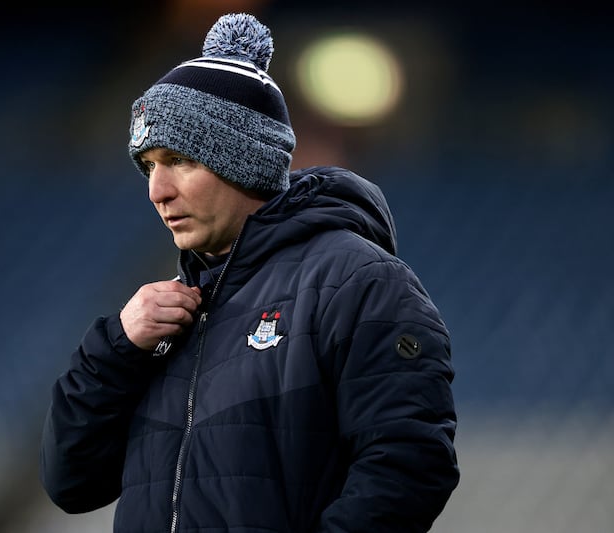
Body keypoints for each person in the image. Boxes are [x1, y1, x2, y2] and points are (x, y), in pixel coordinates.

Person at [39, 12, 459, 533]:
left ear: (243, 160)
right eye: (148, 165)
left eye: (179, 160)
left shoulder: (357, 282)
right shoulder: (165, 317)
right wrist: (117, 349)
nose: (156, 190)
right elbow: (72, 483)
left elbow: (410, 467)